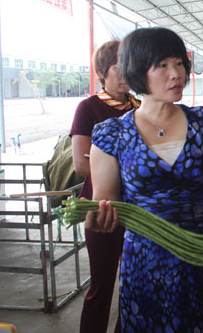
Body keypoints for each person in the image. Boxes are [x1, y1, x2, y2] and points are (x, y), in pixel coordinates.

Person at [84, 27, 203, 332]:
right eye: (163, 66)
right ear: (138, 72)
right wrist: (98, 214)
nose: (176, 74)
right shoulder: (111, 134)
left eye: (179, 63)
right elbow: (106, 196)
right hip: (146, 259)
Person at [70, 39, 140, 333]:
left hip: (137, 209)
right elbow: (81, 164)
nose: (125, 73)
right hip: (101, 207)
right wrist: (128, 175)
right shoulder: (89, 108)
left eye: (129, 66)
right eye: (118, 67)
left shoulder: (140, 106)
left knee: (135, 284)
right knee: (102, 283)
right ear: (103, 71)